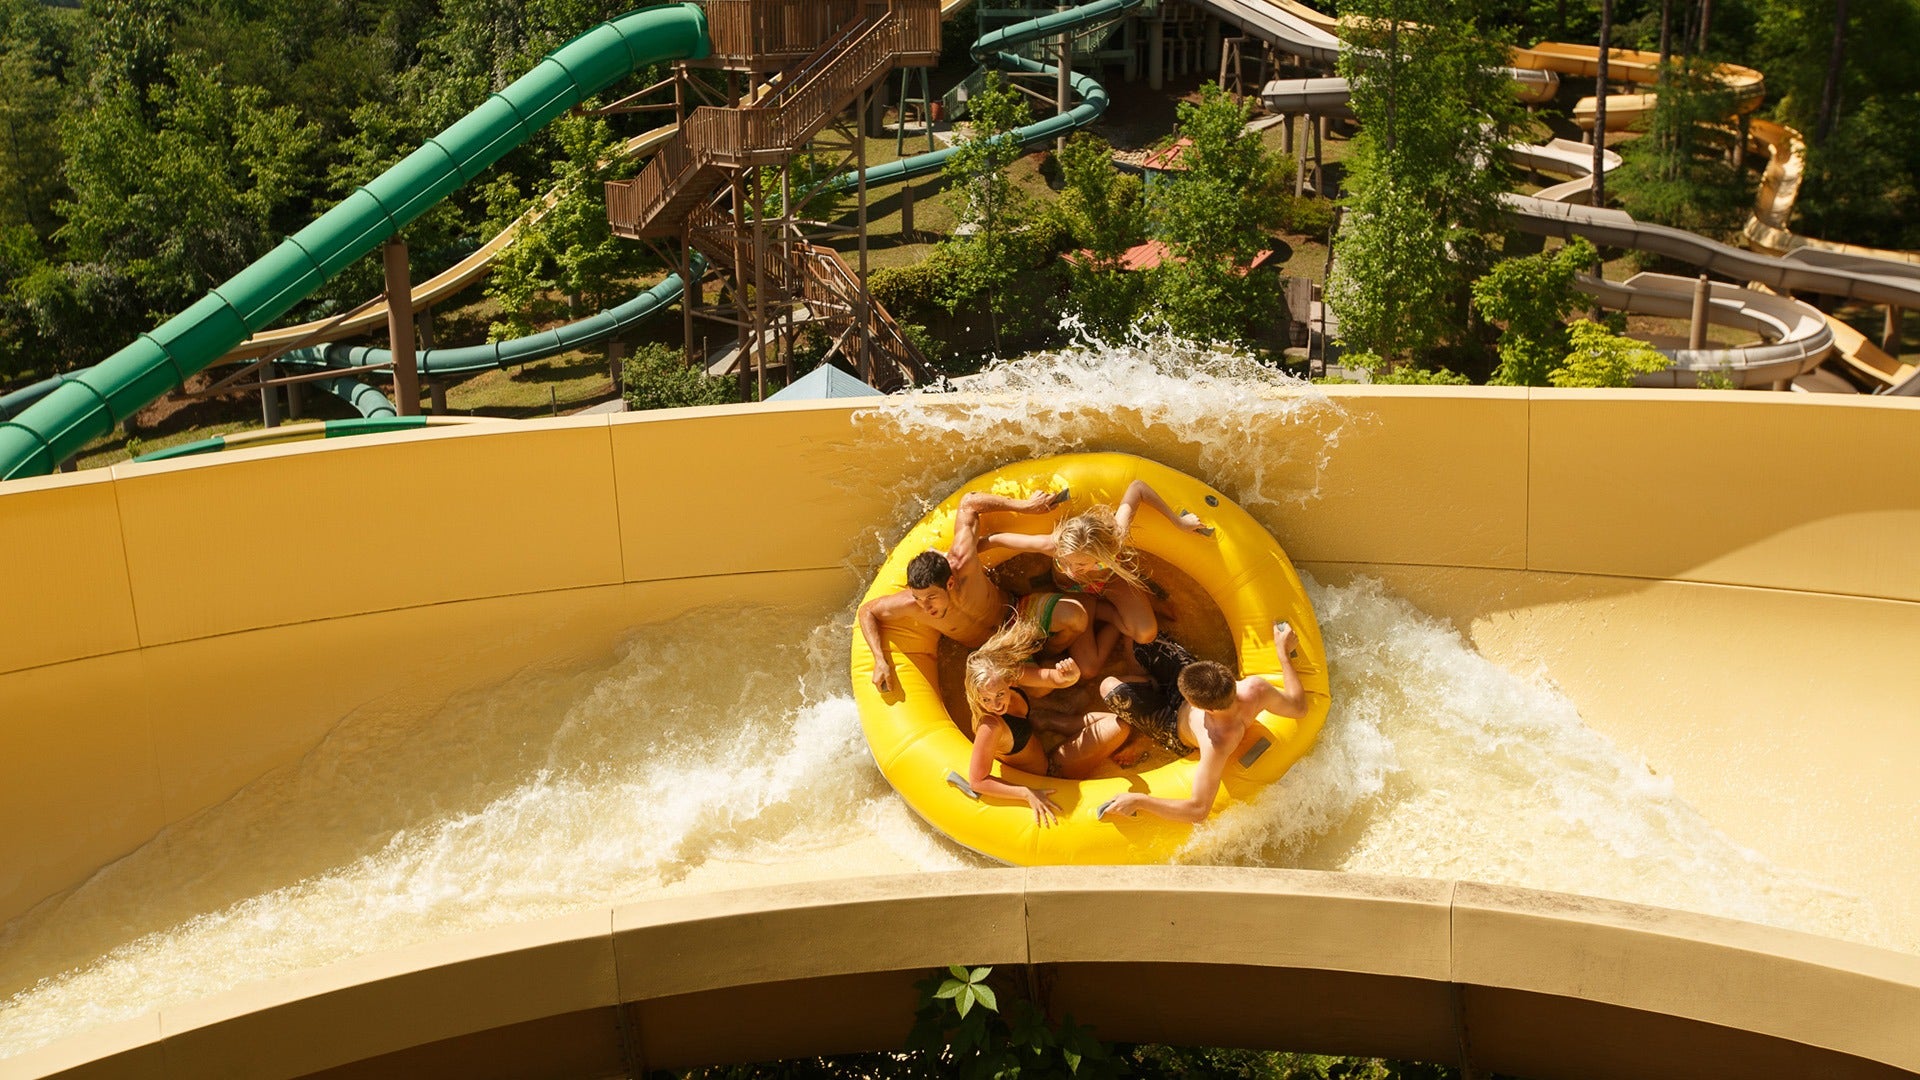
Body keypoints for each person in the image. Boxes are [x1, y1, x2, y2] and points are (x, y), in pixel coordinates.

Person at [1094, 621, 1307, 824]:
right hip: (1195, 689)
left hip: (1170, 724)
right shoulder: (1255, 688)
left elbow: (1198, 810)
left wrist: (1140, 800)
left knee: (1109, 687)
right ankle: (1149, 681)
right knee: (1137, 636)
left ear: (1206, 709)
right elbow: (1298, 708)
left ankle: (1143, 723)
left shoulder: (1216, 743)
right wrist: (1283, 653)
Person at [858, 488, 1068, 693]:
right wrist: (879, 659)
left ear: (949, 583)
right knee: (1041, 690)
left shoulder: (963, 561)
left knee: (1077, 618)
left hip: (1015, 611)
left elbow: (969, 502)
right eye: (918, 597)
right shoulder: (912, 605)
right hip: (993, 648)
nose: (925, 606)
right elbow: (867, 610)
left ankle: (1050, 650)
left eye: (931, 597)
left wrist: (1025, 506)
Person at [984, 479, 1213, 650]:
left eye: (1081, 564)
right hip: (1072, 591)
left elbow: (1138, 487)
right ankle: (1104, 613)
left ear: (1101, 553)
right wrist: (956, 555)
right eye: (1067, 561)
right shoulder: (1052, 545)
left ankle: (1112, 609)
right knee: (1080, 660)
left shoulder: (1115, 537)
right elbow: (997, 539)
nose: (1073, 569)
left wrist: (1179, 522)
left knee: (1146, 635)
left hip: (1109, 583)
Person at [959, 618, 1083, 825]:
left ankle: (1046, 720)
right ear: (976, 696)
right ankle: (1049, 720)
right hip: (1044, 772)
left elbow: (1053, 679)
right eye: (986, 699)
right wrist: (1026, 793)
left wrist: (1072, 676)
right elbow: (977, 781)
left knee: (1084, 697)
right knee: (1116, 728)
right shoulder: (990, 727)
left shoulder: (1009, 676)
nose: (996, 704)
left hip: (1038, 741)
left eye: (1000, 694)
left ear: (1007, 681)